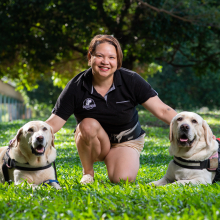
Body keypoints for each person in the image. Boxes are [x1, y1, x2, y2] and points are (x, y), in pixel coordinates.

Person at [46, 35, 177, 184]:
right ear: (90, 57)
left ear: (118, 60)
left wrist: (195, 126)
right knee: (87, 124)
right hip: (95, 142)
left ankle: (118, 158)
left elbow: (162, 110)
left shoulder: (131, 80)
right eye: (99, 56)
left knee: (122, 179)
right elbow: (54, 122)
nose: (105, 62)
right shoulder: (76, 86)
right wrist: (26, 135)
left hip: (126, 140)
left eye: (111, 57)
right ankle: (88, 173)